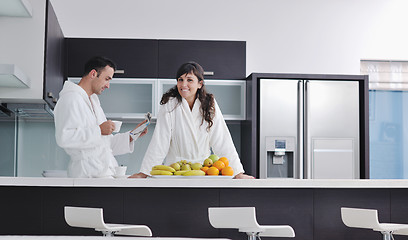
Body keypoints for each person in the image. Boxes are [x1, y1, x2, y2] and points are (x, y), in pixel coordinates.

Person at [130, 61, 254, 179]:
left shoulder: (209, 104)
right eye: (180, 80)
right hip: (176, 172)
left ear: (200, 84)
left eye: (189, 80)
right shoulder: (169, 104)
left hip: (203, 171)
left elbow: (222, 140)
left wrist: (237, 172)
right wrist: (144, 172)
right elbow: (160, 141)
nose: (184, 85)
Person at [54, 56, 148, 178]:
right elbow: (64, 138)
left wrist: (132, 135)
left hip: (103, 173)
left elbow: (105, 143)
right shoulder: (70, 99)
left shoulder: (94, 101)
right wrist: (99, 130)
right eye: (107, 79)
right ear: (93, 74)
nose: (108, 85)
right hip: (87, 174)